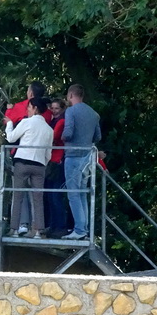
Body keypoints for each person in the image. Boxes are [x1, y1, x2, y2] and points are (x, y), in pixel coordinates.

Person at [4, 97, 53, 238]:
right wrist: (42, 162)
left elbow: (11, 138)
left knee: (18, 196)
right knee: (38, 198)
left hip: (22, 163)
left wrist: (9, 124)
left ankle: (14, 229)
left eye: (29, 107)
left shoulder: (27, 122)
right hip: (39, 165)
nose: (28, 110)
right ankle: (38, 231)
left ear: (35, 108)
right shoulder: (49, 130)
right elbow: (48, 153)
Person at [61, 84, 102, 240]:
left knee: (73, 194)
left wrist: (62, 137)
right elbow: (98, 137)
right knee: (83, 192)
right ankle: (84, 229)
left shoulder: (71, 111)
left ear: (71, 95)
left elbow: (68, 132)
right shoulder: (94, 114)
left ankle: (79, 229)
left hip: (73, 156)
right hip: (87, 158)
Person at [44, 98, 69, 235]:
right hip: (52, 160)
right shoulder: (53, 121)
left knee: (55, 195)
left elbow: (54, 136)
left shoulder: (61, 122)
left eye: (56, 108)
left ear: (62, 109)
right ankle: (53, 225)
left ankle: (60, 226)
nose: (53, 111)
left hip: (58, 160)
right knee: (50, 195)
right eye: (52, 108)